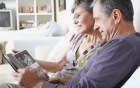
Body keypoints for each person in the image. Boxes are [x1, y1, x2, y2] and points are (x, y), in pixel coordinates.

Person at [7, 0, 140, 88]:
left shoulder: (122, 46)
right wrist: (64, 82)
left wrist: (36, 83)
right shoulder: (122, 43)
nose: (97, 26)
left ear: (116, 16)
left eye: (97, 19)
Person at [0, 0, 104, 87]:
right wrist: (27, 59)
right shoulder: (77, 38)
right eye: (74, 17)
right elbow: (58, 65)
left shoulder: (104, 47)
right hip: (47, 83)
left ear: (94, 13)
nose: (74, 22)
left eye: (78, 16)